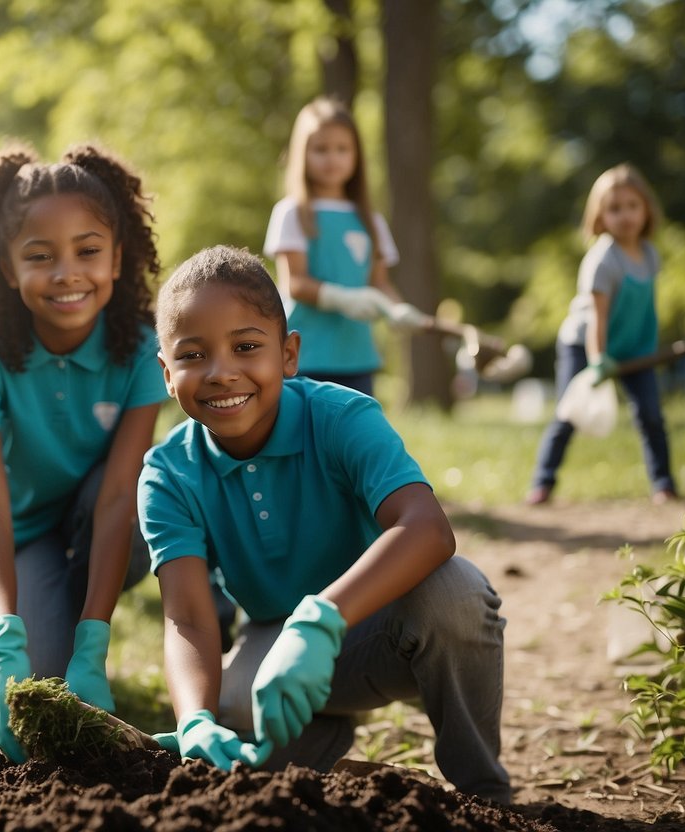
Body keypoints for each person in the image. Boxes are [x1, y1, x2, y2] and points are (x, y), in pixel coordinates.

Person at [139, 245, 510, 804]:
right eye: (193, 355)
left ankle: (483, 790)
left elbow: (428, 529)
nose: (222, 372)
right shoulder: (168, 474)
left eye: (246, 346)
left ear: (289, 354)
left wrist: (320, 621)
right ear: (167, 373)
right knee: (234, 711)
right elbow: (188, 618)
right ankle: (320, 736)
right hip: (272, 637)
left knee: (457, 594)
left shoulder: (341, 416)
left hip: (386, 624)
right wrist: (194, 720)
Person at [0, 142, 167, 763]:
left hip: (108, 515)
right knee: (38, 682)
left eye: (88, 251)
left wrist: (93, 640)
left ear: (118, 258)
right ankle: (48, 608)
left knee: (149, 492)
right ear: (8, 269)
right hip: (29, 530)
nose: (67, 273)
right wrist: (0, 632)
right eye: (41, 256)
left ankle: (204, 611)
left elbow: (121, 493)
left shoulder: (142, 347)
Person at [526, 164, 677, 506]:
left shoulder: (651, 255)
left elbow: (643, 308)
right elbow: (598, 317)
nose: (625, 216)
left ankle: (663, 482)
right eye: (614, 208)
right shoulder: (603, 260)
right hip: (586, 345)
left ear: (646, 210)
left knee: (651, 414)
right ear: (600, 216)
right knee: (569, 412)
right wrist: (596, 363)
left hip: (633, 348)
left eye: (632, 206)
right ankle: (542, 482)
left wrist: (648, 347)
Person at [263, 97, 428, 396]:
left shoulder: (371, 221)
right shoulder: (292, 213)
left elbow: (379, 283)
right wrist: (340, 297)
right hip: (303, 355)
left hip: (357, 357)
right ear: (302, 153)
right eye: (320, 149)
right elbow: (294, 283)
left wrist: (396, 309)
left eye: (342, 149)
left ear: (356, 156)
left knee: (352, 439)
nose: (332, 159)